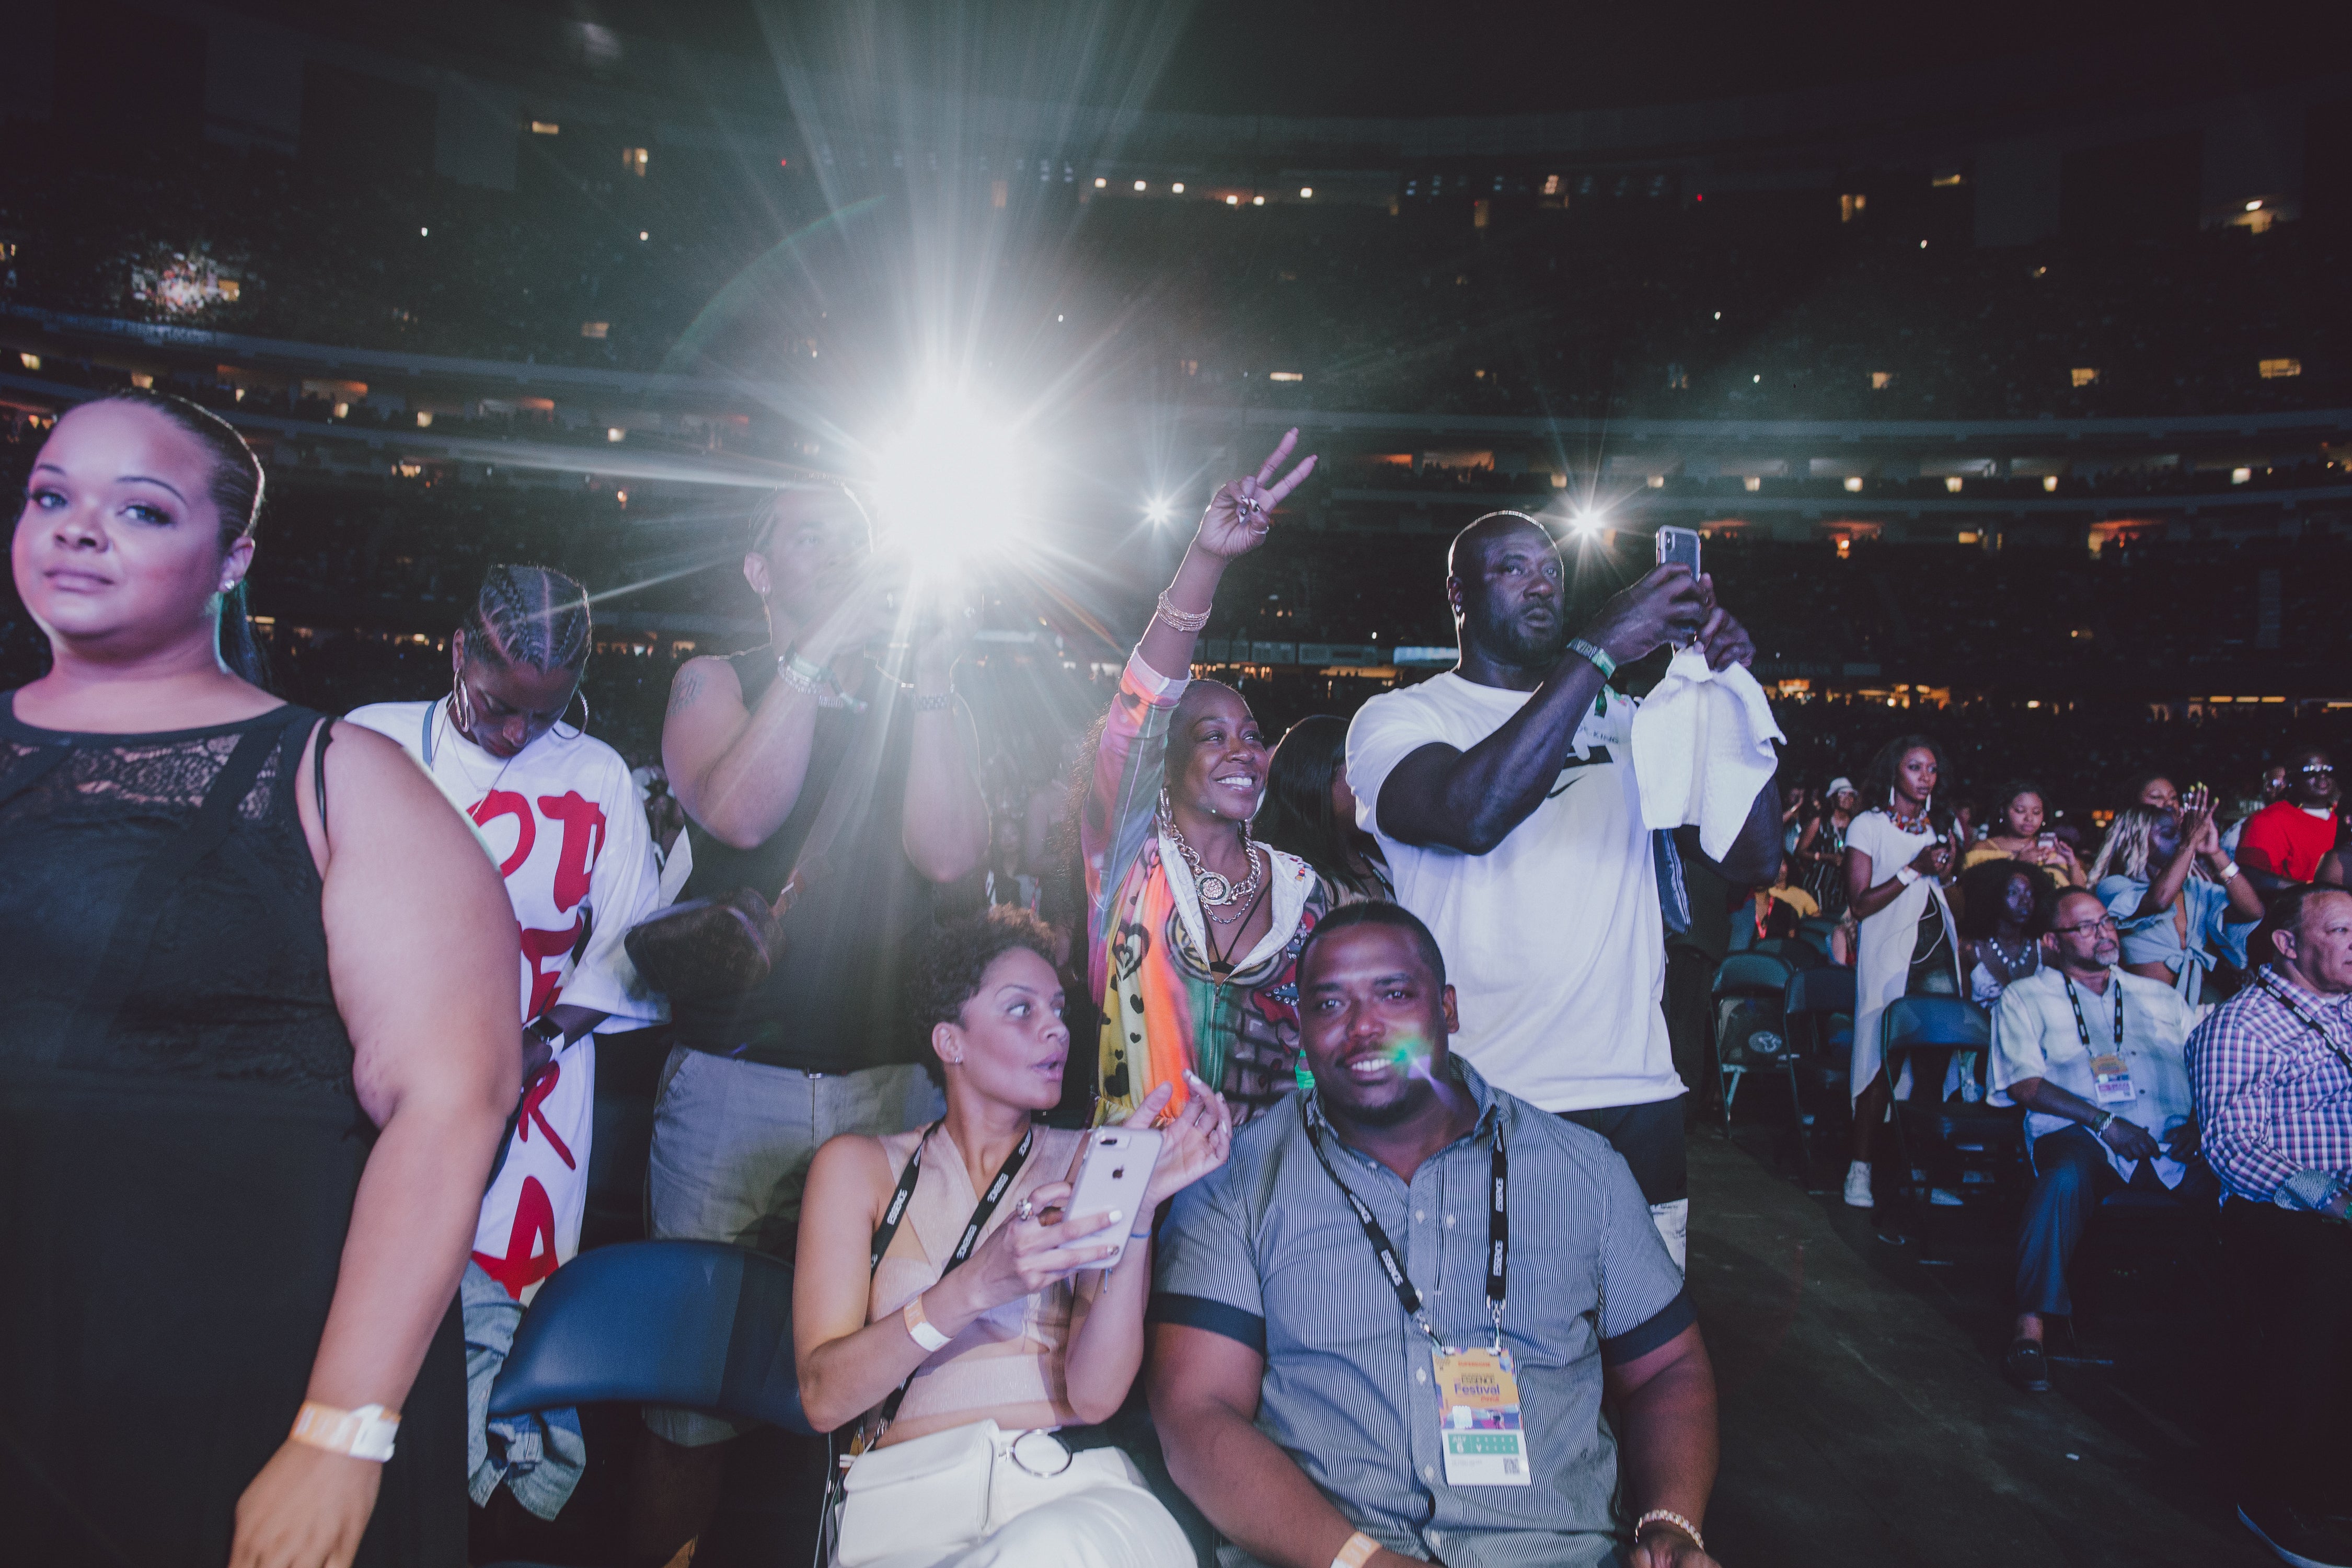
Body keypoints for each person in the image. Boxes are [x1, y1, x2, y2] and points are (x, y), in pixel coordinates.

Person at [1, 390, 518, 1565]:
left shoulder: (341, 778)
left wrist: (344, 1431)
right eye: (50, 497)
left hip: (232, 1372)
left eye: (138, 508)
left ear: (233, 559)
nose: (78, 529)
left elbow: (452, 1106)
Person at [1148, 902, 1721, 1568]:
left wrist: (1671, 1524)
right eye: (1330, 1005)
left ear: (1446, 1010)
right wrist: (1362, 1561)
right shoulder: (1237, 1185)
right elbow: (1194, 1413)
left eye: (1394, 994)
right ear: (1300, 1028)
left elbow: (1670, 1368)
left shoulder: (1581, 1172)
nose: (1364, 1029)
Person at [641, 483, 991, 1555]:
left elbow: (950, 856)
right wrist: (821, 648)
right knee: (689, 1386)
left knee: (883, 1365)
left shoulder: (917, 696)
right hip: (734, 1076)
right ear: (758, 571)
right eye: (811, 536)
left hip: (887, 1080)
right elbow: (741, 806)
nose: (841, 549)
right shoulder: (714, 678)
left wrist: (926, 682)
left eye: (856, 537)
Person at [1346, 510, 1779, 1264]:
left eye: (1551, 569)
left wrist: (1731, 692)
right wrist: (1602, 647)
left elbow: (1751, 857)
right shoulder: (1400, 718)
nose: (1542, 584)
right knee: (1488, 1364)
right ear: (1459, 593)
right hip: (1486, 1089)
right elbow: (1471, 812)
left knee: (1648, 1354)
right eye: (1514, 569)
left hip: (1635, 1087)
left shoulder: (1625, 720)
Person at [793, 908, 1231, 1567]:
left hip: (1075, 1497)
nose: (1057, 1027)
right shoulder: (858, 1170)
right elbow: (824, 1399)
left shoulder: (1091, 1159)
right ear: (951, 1043)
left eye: (1057, 1009)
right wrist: (974, 1287)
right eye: (1021, 1011)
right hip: (908, 1510)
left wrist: (1134, 1212)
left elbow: (1095, 1394)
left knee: (1042, 1550)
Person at [350, 563, 665, 1305]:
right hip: (373, 1065)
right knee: (376, 1281)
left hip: (538, 1082)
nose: (519, 732)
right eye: (499, 707)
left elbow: (633, 943)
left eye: (549, 713)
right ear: (459, 651)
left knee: (504, 1304)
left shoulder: (599, 776)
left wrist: (539, 1042)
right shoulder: (371, 739)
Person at [1085, 432, 1328, 1125]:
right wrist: (1206, 560)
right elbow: (1139, 708)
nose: (1243, 752)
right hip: (1134, 1184)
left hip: (1271, 1197)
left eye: (1253, 737)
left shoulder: (1305, 891)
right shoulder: (1127, 864)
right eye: (1212, 737)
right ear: (1166, 760)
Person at [1988, 889, 2216, 1394]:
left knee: (2237, 1186)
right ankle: (2029, 1332)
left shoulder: (2158, 995)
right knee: (2063, 1182)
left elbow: (2207, 1069)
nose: (2105, 932)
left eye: (2107, 922)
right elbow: (2024, 1085)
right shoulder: (2025, 996)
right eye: (2087, 927)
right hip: (2081, 1133)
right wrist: (2103, 1121)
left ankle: (2224, 1340)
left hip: (2171, 1135)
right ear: (2052, 941)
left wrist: (2201, 1124)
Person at [2185, 884, 2352, 1568]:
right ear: (2288, 944)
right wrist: (2334, 1200)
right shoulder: (2241, 1026)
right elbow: (2231, 1145)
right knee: (2331, 1279)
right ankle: (2277, 1494)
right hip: (2283, 1211)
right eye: (2342, 931)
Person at [1841, 735, 1961, 1209]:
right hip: (1891, 955)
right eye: (1915, 767)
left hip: (1936, 956)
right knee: (1880, 1060)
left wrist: (1949, 874)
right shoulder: (1867, 826)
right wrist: (1915, 869)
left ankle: (1920, 1172)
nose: (1925, 776)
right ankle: (1860, 1170)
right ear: (1895, 772)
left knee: (1933, 1063)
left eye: (1931, 768)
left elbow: (1961, 909)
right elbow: (1861, 903)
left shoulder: (1942, 829)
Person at [2089, 791, 2263, 1004]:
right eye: (2169, 833)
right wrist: (2188, 844)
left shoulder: (2194, 889)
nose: (2180, 839)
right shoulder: (2114, 886)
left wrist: (2216, 853)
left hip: (2194, 1008)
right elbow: (2159, 901)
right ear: (2138, 837)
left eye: (2181, 834)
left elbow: (2253, 910)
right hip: (2144, 1009)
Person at [1258, 713, 1393, 905]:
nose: (1371, 781)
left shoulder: (1380, 848)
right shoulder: (1287, 876)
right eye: (1358, 767)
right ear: (1316, 775)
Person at [2235, 745, 2341, 890]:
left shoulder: (2344, 817)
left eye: (2327, 771)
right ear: (2291, 779)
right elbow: (2252, 877)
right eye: (2311, 771)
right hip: (2297, 907)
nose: (2322, 776)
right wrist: (2316, 892)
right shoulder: (2268, 820)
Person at [1956, 858, 2056, 1010]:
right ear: (1992, 896)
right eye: (2013, 893)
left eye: (2030, 894)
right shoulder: (1969, 950)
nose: (2025, 901)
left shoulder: (2045, 951)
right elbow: (1962, 1011)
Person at [1959, 779, 2084, 887]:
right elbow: (1974, 892)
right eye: (2020, 811)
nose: (2029, 818)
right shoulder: (1982, 850)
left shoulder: (2051, 850)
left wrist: (2072, 863)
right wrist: (2017, 864)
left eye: (2036, 812)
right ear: (2003, 811)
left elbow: (2079, 894)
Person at [1793, 776, 1859, 919]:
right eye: (1842, 794)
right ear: (1833, 798)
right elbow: (1800, 852)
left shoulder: (1856, 825)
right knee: (1815, 924)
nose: (1848, 798)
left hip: (1842, 889)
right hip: (1818, 885)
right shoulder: (1819, 822)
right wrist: (1826, 857)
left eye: (1851, 795)